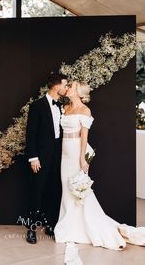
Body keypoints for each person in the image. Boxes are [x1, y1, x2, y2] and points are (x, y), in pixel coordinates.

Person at [54, 81, 145, 252]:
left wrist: (82, 159)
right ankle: (69, 224)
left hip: (75, 154)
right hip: (64, 155)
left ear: (78, 92)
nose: (68, 88)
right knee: (66, 189)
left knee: (77, 189)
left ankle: (76, 228)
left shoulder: (85, 111)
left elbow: (84, 138)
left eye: (71, 86)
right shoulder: (65, 109)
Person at [25, 73, 68, 244]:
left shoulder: (62, 106)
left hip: (59, 156)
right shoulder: (37, 106)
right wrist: (33, 157)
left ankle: (51, 225)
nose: (66, 88)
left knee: (54, 191)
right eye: (65, 85)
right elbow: (30, 134)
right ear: (56, 86)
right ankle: (31, 229)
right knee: (37, 191)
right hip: (41, 157)